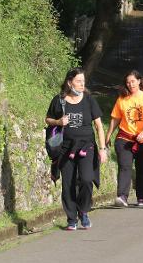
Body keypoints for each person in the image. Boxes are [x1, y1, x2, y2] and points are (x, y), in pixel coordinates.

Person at [45, 67, 108, 230]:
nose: (82, 84)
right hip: (65, 148)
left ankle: (83, 211)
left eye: (83, 81)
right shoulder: (59, 100)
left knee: (87, 179)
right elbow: (48, 119)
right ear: (69, 82)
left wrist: (102, 149)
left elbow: (99, 126)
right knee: (68, 184)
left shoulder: (89, 100)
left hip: (87, 147)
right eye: (78, 81)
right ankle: (71, 218)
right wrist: (58, 122)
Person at [105, 70, 143, 207]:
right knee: (125, 166)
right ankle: (122, 196)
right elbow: (115, 118)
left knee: (142, 169)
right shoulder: (122, 99)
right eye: (128, 82)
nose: (130, 84)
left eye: (133, 81)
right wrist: (108, 135)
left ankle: (141, 196)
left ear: (139, 81)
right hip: (125, 138)